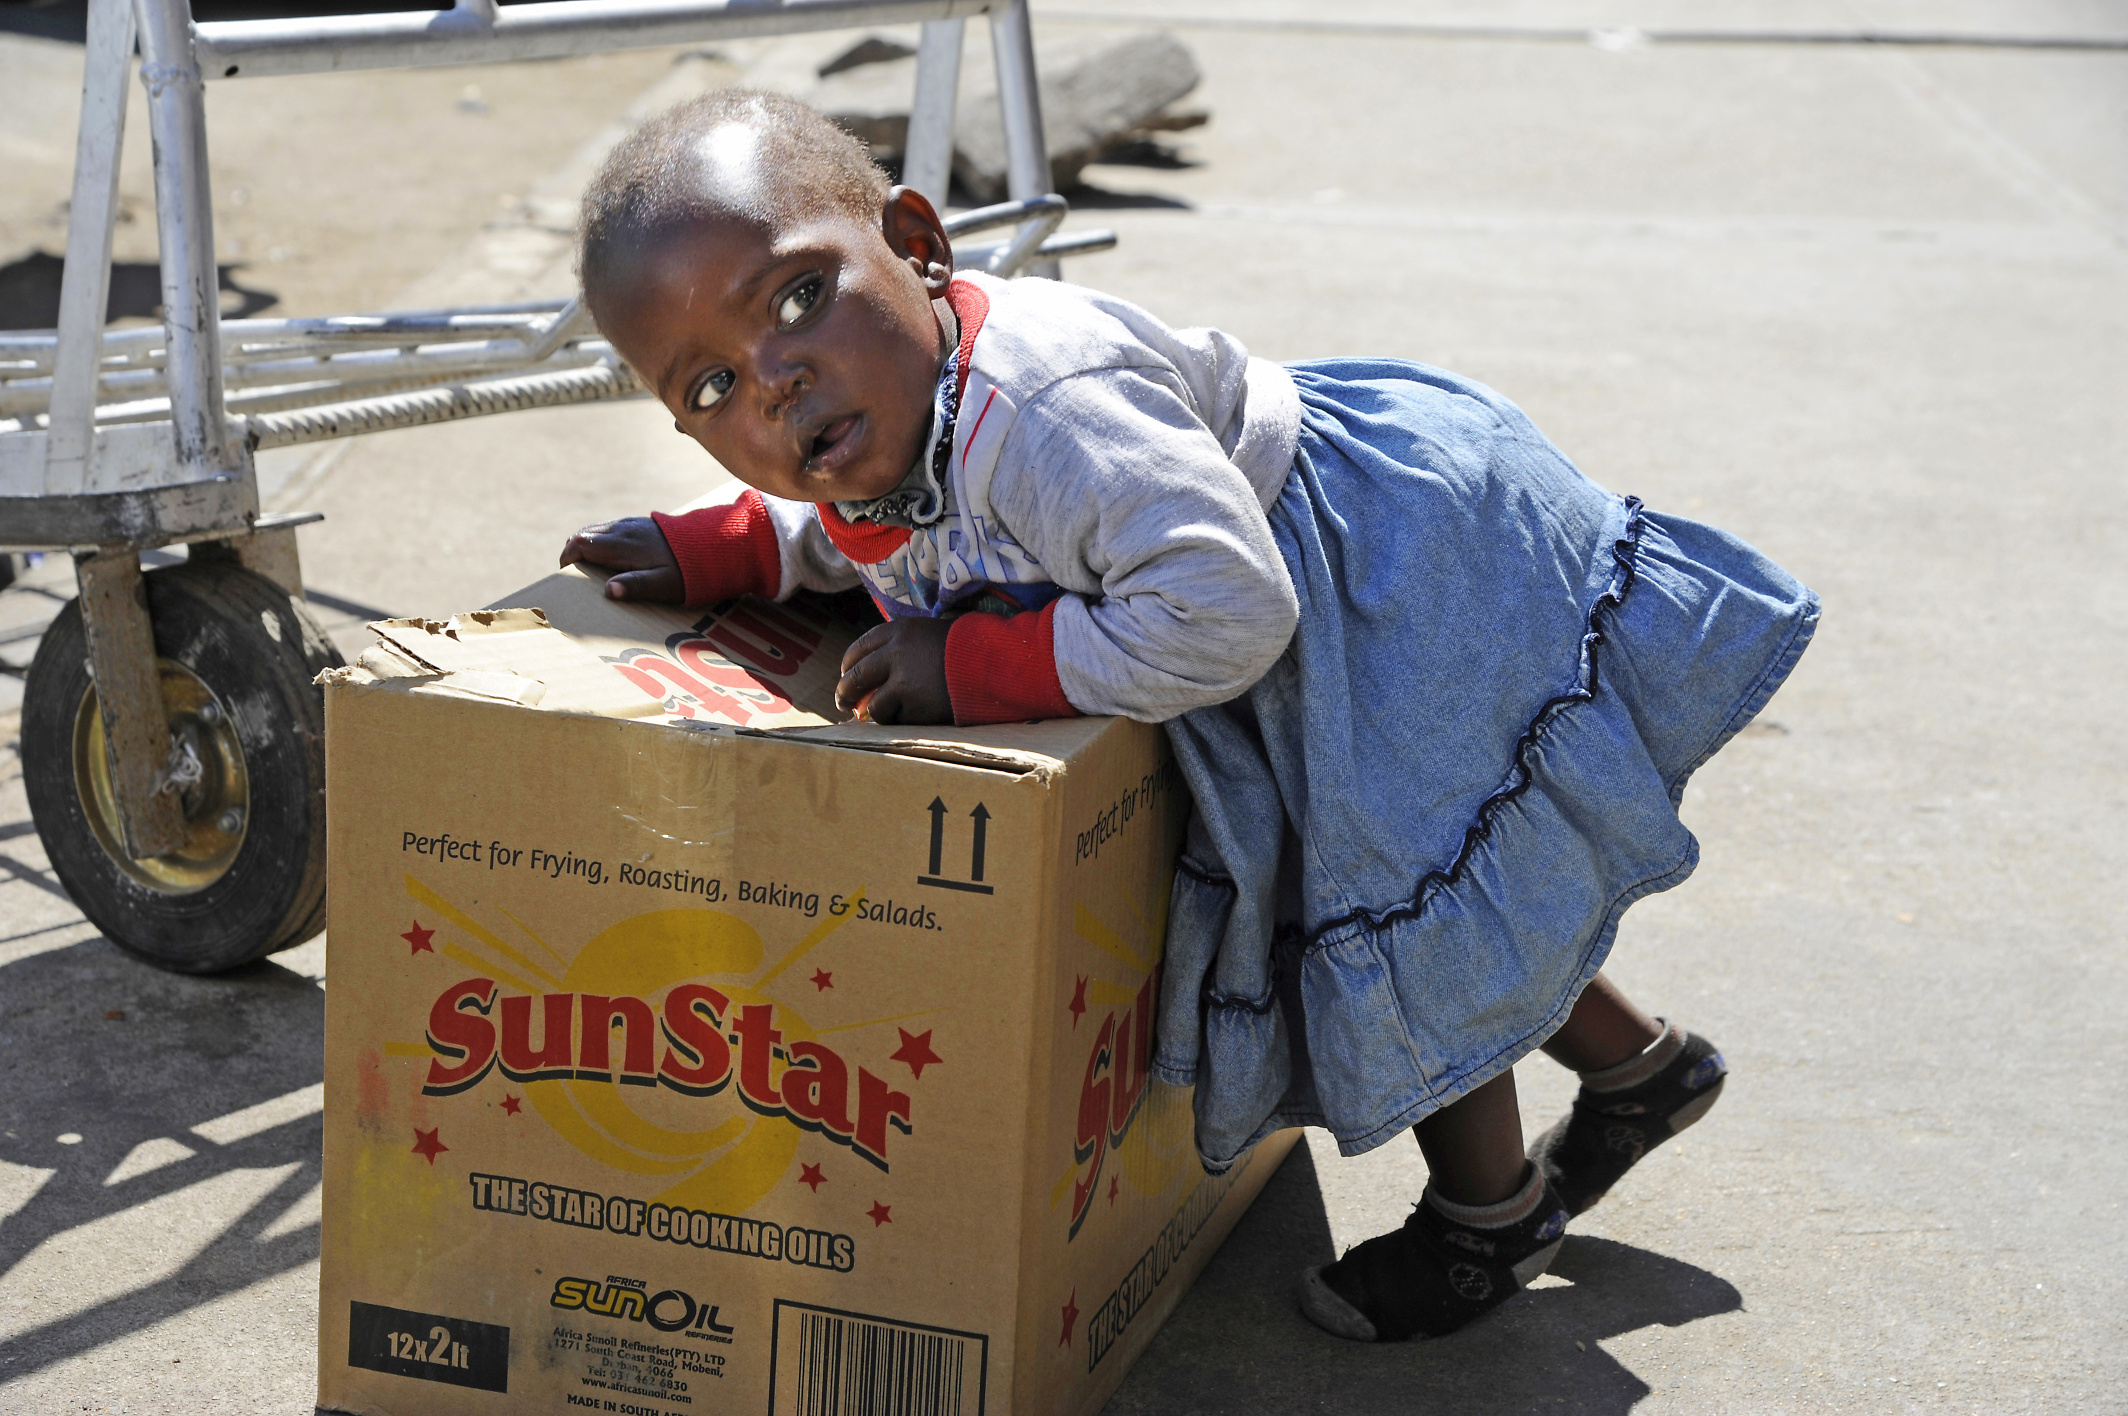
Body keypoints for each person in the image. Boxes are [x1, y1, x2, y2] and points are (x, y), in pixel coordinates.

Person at [559, 89, 1818, 1343]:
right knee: (1463, 875)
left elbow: (1225, 614)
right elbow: (869, 519)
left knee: (1405, 885)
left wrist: (980, 669)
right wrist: (727, 550)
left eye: (794, 299)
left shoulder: (1048, 416)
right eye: (713, 385)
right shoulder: (874, 406)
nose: (775, 381)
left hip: (1367, 584)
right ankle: (1643, 1069)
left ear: (917, 243)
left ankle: (1490, 1216)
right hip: (1238, 592)